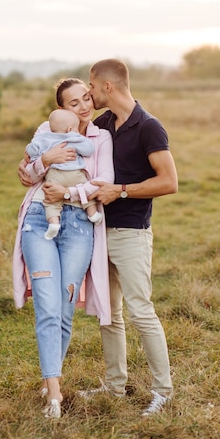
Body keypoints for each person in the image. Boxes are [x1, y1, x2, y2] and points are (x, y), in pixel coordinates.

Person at [77, 58, 178, 417]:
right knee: (109, 314)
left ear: (108, 87)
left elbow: (168, 182)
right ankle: (114, 386)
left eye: (91, 85)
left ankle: (163, 392)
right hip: (98, 232)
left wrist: (119, 191)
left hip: (132, 233)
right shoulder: (102, 124)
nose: (88, 92)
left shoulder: (150, 127)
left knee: (141, 312)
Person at [13, 78, 114, 419]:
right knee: (47, 305)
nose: (84, 106)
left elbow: (104, 182)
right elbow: (26, 174)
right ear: (61, 109)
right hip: (40, 221)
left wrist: (68, 194)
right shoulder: (47, 129)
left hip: (79, 227)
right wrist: (47, 160)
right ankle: (53, 390)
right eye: (74, 103)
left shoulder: (101, 138)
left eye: (86, 98)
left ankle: (49, 375)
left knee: (66, 306)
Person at [25, 108, 103, 240]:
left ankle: (54, 223)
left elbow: (31, 150)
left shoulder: (44, 137)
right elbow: (88, 150)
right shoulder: (74, 137)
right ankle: (92, 212)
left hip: (55, 175)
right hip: (75, 174)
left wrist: (34, 154)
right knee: (85, 192)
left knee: (50, 201)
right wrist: (79, 138)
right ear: (69, 129)